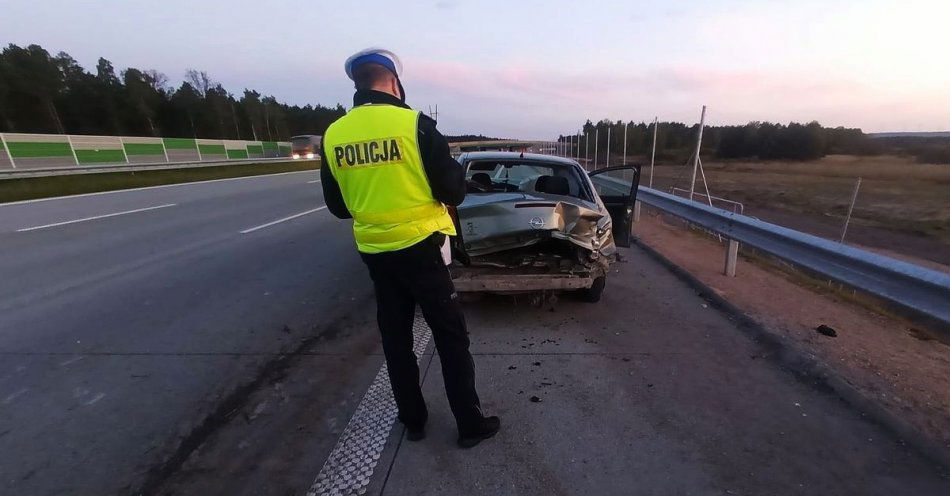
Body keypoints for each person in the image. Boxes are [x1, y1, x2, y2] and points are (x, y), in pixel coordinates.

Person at [320, 48, 500, 448]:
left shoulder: (334, 134)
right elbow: (454, 191)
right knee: (450, 337)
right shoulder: (415, 125)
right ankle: (469, 424)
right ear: (394, 83)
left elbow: (336, 207)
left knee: (396, 339)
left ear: (357, 84)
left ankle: (413, 420)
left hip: (376, 254)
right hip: (422, 248)